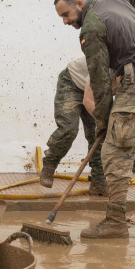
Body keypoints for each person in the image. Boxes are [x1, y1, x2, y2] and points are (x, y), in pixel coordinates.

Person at [53, 0, 135, 239]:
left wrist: (103, 124)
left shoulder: (91, 29)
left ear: (79, 3)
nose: (65, 21)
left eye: (66, 14)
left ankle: (115, 221)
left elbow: (99, 83)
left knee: (114, 151)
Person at [40, 57, 108, 196]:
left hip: (97, 91)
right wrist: (104, 120)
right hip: (72, 83)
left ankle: (99, 181)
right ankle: (50, 162)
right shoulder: (105, 64)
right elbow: (87, 100)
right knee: (69, 129)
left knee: (99, 134)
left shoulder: (132, 74)